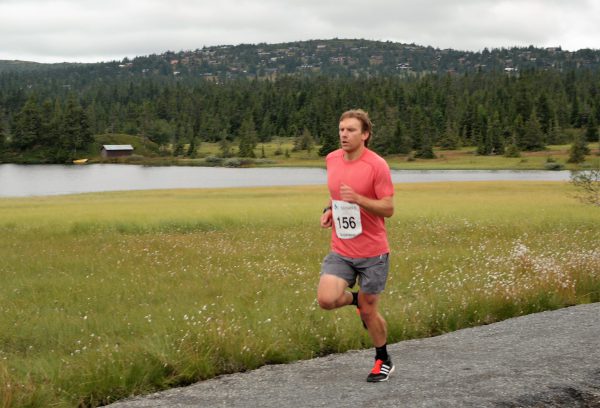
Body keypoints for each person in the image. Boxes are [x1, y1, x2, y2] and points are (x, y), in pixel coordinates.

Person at [317, 109, 395, 382]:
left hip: (373, 253)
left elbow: (388, 208)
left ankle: (382, 359)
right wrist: (329, 209)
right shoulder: (332, 159)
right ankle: (356, 301)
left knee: (369, 311)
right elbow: (336, 193)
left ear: (365, 135)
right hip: (342, 248)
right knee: (326, 299)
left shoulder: (377, 166)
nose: (343, 134)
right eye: (341, 130)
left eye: (350, 130)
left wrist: (360, 199)